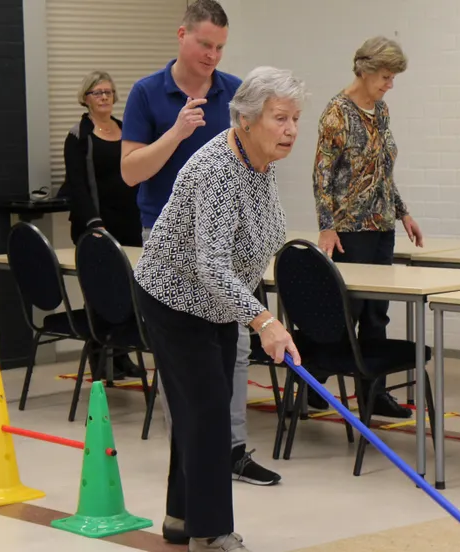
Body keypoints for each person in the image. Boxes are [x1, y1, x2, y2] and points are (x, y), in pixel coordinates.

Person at [133, 66, 305, 552]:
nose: (291, 129)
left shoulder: (260, 164)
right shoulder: (216, 170)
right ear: (247, 119)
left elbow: (247, 248)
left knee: (197, 411)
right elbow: (210, 264)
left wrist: (256, 313)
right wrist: (264, 321)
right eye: (280, 118)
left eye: (295, 118)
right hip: (175, 298)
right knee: (208, 415)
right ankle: (209, 533)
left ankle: (181, 517)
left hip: (218, 304)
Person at [121, 0, 282, 492]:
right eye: (204, 44)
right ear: (181, 35)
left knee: (233, 351)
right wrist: (176, 132)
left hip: (228, 248)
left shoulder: (235, 93)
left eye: (220, 47)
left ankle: (230, 450)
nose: (212, 55)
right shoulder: (148, 93)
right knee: (188, 365)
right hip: (169, 243)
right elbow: (131, 172)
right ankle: (191, 452)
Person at [312, 36, 423, 419]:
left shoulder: (381, 110)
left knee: (377, 313)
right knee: (350, 311)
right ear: (365, 70)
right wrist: (326, 227)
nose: (389, 84)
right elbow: (321, 176)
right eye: (386, 77)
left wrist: (403, 212)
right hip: (350, 229)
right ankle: (318, 375)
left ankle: (372, 395)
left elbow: (383, 172)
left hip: (381, 226)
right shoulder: (336, 113)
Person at [61, 70, 144, 380]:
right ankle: (100, 360)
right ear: (86, 98)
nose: (105, 97)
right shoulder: (78, 136)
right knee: (99, 293)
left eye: (109, 92)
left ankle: (122, 356)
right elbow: (77, 186)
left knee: (129, 292)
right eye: (98, 93)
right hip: (95, 224)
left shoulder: (125, 130)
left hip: (129, 221)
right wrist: (93, 222)